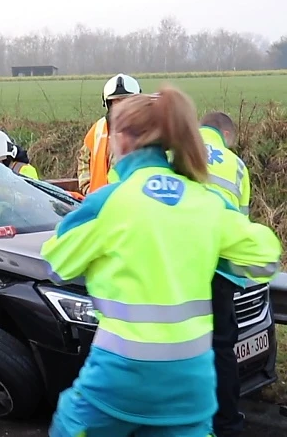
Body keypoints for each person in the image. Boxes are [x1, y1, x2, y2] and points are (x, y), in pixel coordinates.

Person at [41, 85, 282, 436]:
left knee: (71, 424)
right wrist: (216, 258)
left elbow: (57, 262)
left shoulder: (110, 202)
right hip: (191, 385)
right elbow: (264, 257)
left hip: (119, 378)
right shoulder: (207, 202)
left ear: (121, 139)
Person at [199, 111, 251, 437]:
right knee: (221, 347)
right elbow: (242, 224)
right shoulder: (239, 167)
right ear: (227, 134)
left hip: (181, 262)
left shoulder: (175, 152)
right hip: (220, 269)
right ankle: (228, 423)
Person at [76, 73, 142, 195]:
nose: (121, 107)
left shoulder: (146, 131)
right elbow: (84, 159)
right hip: (99, 204)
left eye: (125, 101)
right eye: (116, 101)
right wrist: (87, 188)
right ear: (109, 104)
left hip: (130, 204)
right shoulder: (98, 129)